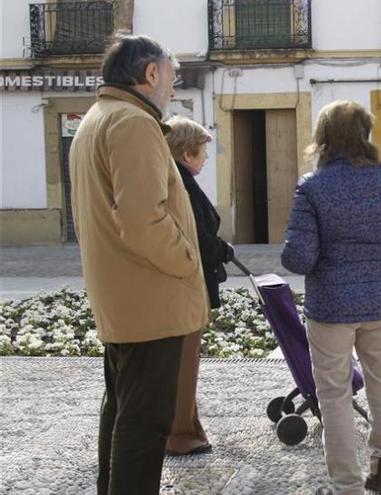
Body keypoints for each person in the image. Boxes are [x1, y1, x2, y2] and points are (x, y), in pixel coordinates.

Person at [69, 35, 209, 495]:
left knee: (123, 409)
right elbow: (142, 217)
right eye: (171, 75)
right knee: (145, 420)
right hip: (151, 298)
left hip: (126, 296)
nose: (174, 85)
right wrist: (188, 259)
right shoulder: (133, 123)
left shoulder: (97, 118)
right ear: (150, 74)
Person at [281, 100, 381, 495]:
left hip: (331, 310)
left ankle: (347, 486)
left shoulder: (313, 186)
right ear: (366, 135)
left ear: (322, 138)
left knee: (334, 396)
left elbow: (298, 259)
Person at [164, 116, 233, 455]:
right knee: (184, 362)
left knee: (184, 361)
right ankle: (180, 433)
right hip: (187, 286)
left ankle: (187, 427)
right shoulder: (181, 184)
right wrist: (223, 249)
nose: (206, 158)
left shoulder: (177, 179)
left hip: (185, 284)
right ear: (187, 152)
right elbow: (199, 238)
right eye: (203, 152)